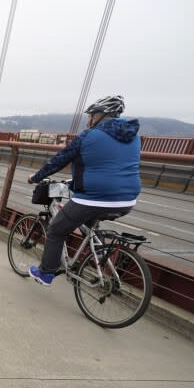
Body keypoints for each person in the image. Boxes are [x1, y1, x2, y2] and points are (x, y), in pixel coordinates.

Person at [27, 95, 141, 286]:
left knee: (56, 230)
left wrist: (35, 177)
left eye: (92, 115)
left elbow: (59, 160)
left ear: (102, 115)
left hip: (94, 199)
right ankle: (88, 260)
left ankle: (45, 273)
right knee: (88, 227)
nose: (89, 120)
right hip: (128, 200)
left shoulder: (88, 136)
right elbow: (113, 164)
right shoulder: (134, 136)